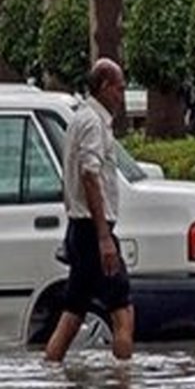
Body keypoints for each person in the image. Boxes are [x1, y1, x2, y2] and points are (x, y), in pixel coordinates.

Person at [44, 58, 136, 364]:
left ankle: (52, 369)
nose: (122, 97)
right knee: (123, 313)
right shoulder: (93, 123)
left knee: (72, 313)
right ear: (105, 87)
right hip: (93, 230)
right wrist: (104, 238)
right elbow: (89, 174)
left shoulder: (80, 119)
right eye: (120, 89)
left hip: (80, 229)